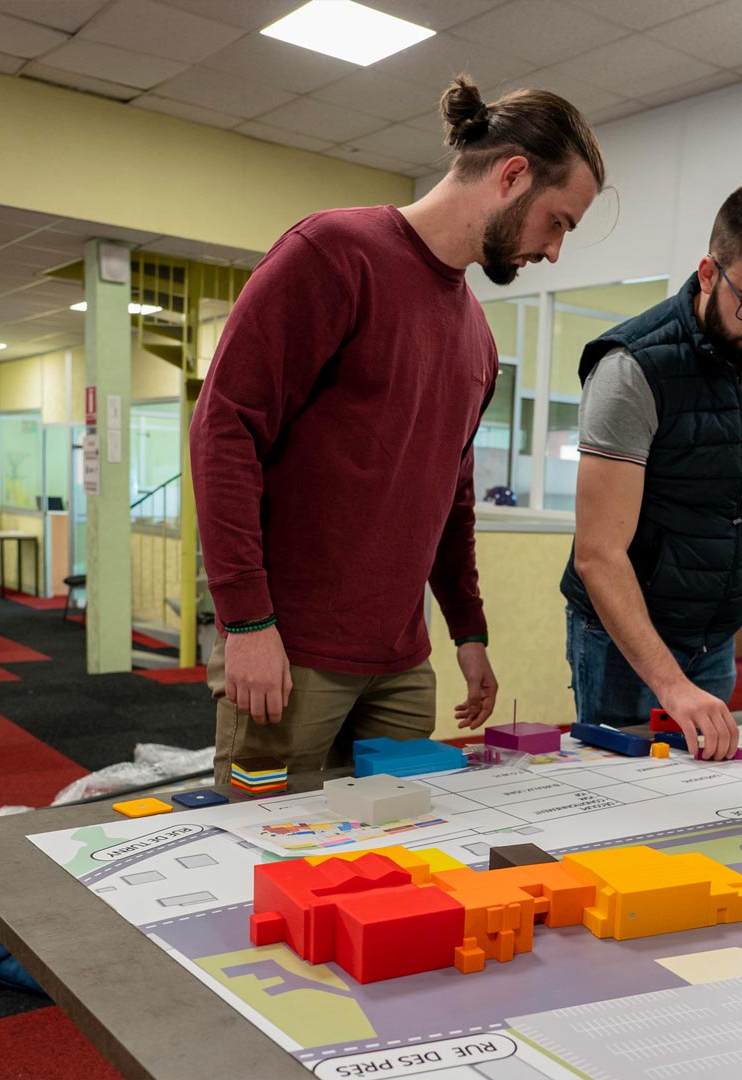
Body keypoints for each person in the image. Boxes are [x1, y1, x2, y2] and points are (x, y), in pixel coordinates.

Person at [191, 75, 605, 782]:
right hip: (290, 654)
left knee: (394, 871)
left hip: (402, 667)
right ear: (512, 176)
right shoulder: (332, 254)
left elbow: (453, 499)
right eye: (559, 221)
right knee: (265, 866)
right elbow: (223, 431)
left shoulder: (476, 337)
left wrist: (467, 632)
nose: (555, 250)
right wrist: (247, 622)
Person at [560, 179, 742, 760]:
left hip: (715, 636)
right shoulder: (633, 368)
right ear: (709, 273)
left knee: (699, 807)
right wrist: (672, 686)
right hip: (624, 641)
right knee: (621, 813)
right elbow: (598, 554)